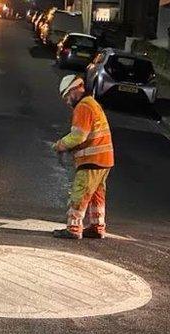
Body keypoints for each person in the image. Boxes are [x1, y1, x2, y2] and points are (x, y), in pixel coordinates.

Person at [51, 75, 114, 239]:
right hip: (104, 159)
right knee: (96, 196)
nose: (66, 101)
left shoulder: (83, 107)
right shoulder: (92, 104)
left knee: (80, 194)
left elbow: (78, 136)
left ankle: (73, 228)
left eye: (66, 96)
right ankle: (97, 227)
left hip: (91, 160)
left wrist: (60, 145)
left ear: (74, 90)